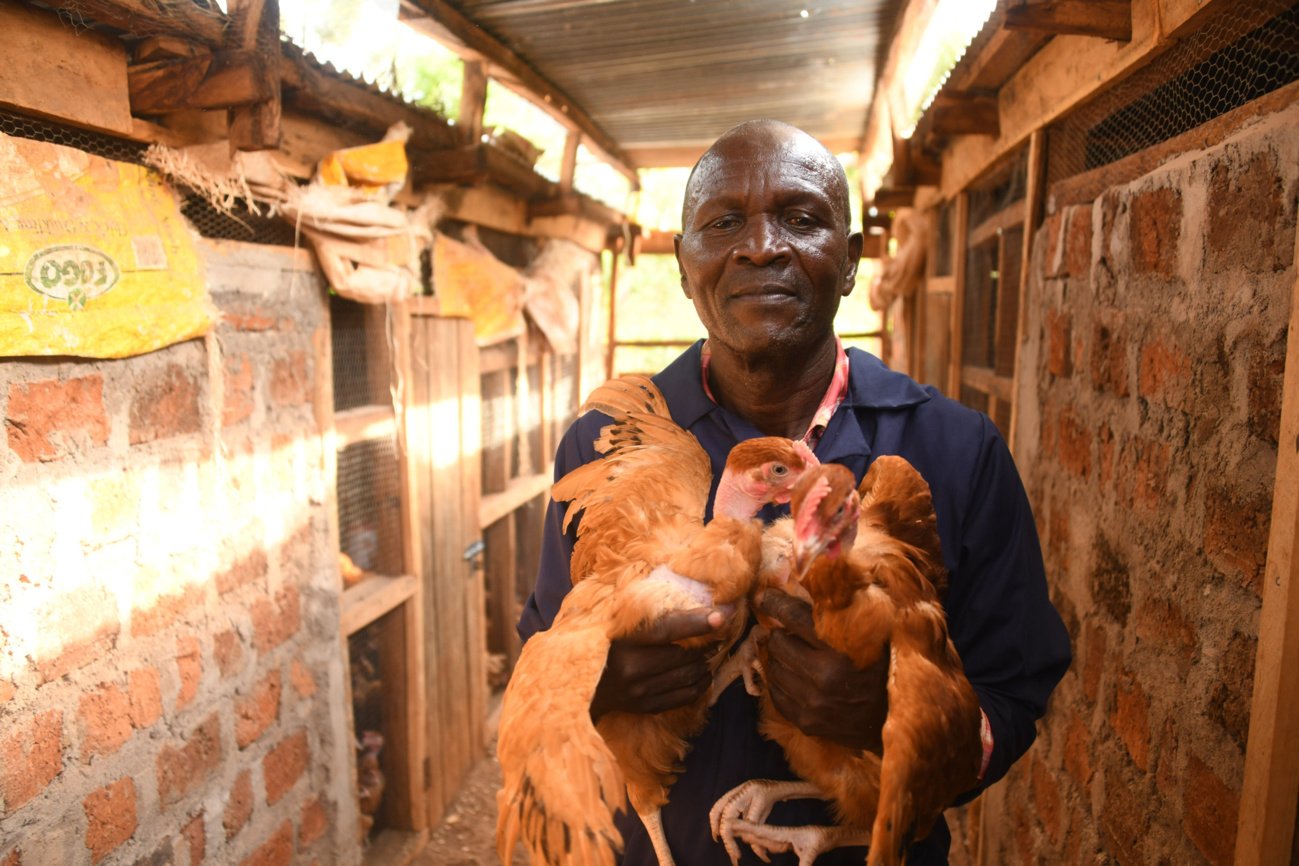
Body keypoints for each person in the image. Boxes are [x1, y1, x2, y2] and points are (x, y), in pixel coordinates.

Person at [516, 119, 1071, 865]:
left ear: (848, 262)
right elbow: (544, 650)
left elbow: (1015, 684)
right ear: (683, 268)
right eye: (722, 223)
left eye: (801, 218)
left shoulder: (954, 449)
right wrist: (598, 683)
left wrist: (900, 715)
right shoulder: (607, 443)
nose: (761, 246)